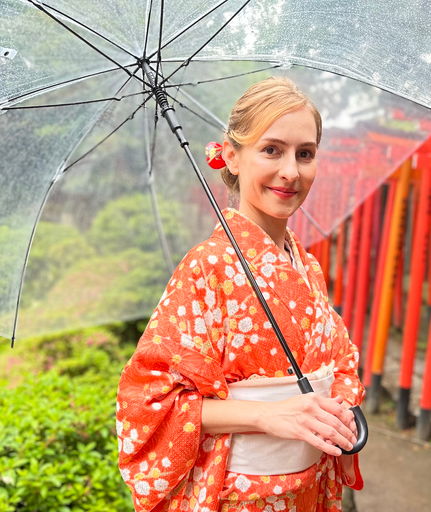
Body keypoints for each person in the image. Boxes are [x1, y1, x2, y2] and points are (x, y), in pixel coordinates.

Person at [116, 76, 364, 512]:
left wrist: (336, 405)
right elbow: (149, 401)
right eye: (272, 150)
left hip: (310, 489)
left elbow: (341, 362)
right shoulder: (207, 268)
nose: (291, 171)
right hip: (239, 496)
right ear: (231, 155)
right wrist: (266, 414)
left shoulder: (307, 267)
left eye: (305, 154)